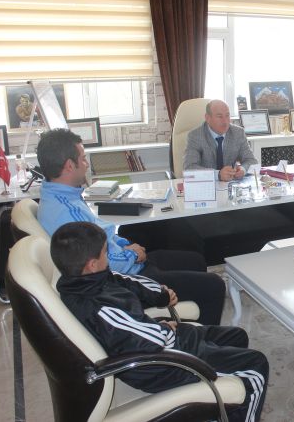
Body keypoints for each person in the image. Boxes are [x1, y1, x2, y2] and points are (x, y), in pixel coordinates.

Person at [51, 222, 268, 422]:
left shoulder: (88, 279)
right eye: (105, 253)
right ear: (92, 264)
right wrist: (164, 329)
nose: (108, 257)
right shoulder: (96, 306)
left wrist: (160, 295)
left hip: (162, 343)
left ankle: (221, 410)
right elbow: (148, 340)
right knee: (256, 365)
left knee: (237, 336)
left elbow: (126, 281)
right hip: (163, 363)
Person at [36, 128, 226, 325]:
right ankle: (200, 339)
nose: (87, 164)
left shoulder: (63, 196)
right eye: (83, 159)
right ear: (69, 166)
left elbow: (103, 234)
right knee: (214, 286)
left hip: (127, 264)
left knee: (195, 260)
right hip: (125, 279)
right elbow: (103, 264)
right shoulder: (68, 213)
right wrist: (133, 254)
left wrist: (127, 245)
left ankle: (191, 321)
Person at [183, 99, 258, 182]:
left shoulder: (238, 133)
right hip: (205, 185)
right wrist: (218, 175)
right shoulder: (195, 136)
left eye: (227, 115)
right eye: (219, 116)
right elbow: (189, 169)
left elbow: (252, 161)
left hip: (230, 185)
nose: (225, 121)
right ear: (207, 118)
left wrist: (243, 169)